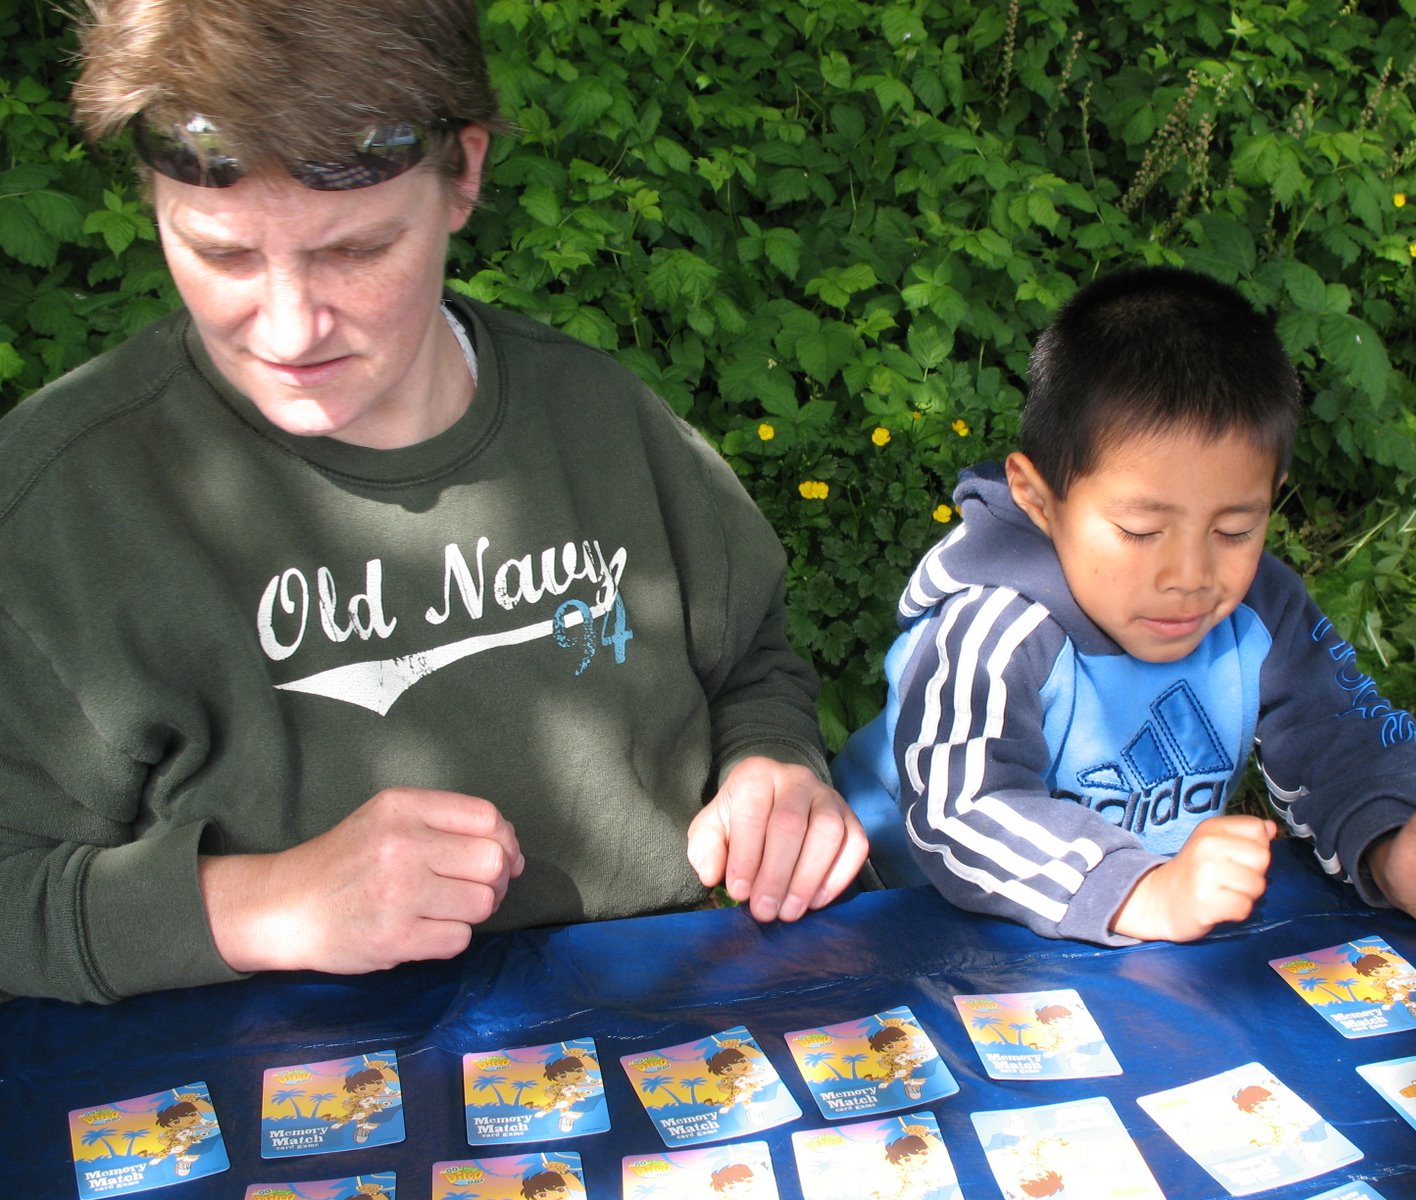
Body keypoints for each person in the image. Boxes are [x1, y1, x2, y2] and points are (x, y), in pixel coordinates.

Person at [0, 0, 865, 1004]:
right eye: (222, 254)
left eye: (356, 250)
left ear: (464, 172)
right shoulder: (60, 504)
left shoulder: (601, 418)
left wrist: (772, 767)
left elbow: (749, 662)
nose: (288, 329)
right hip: (282, 1075)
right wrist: (264, 903)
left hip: (658, 1029)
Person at [832, 265, 1416, 945]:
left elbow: (1342, 735)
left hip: (1127, 927)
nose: (1191, 577)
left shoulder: (1262, 610)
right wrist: (1139, 891)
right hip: (903, 925)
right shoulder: (992, 628)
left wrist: (1393, 845)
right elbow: (964, 810)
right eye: (1142, 531)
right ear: (1038, 498)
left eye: (1234, 530)